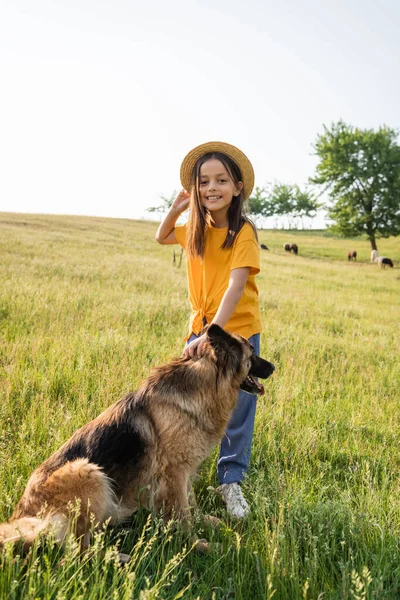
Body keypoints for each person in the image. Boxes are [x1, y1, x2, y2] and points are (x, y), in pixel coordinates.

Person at [155, 141, 262, 518]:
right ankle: (183, 477)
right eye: (203, 181)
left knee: (237, 411)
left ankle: (231, 481)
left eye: (220, 180)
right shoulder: (195, 228)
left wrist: (212, 333)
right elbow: (162, 236)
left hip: (236, 334)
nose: (211, 188)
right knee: (192, 406)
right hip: (200, 332)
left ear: (237, 187)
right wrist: (177, 208)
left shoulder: (243, 232)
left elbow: (235, 286)